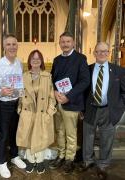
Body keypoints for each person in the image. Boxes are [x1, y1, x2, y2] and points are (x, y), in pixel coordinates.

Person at [49, 32, 90, 173]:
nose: (65, 44)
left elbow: (85, 81)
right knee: (59, 131)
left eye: (68, 41)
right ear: (59, 43)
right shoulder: (56, 59)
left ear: (73, 43)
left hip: (72, 102)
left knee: (71, 133)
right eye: (63, 42)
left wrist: (69, 96)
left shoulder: (80, 59)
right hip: (58, 102)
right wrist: (54, 91)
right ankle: (61, 155)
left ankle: (69, 159)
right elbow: (52, 78)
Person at [82, 42, 125, 176]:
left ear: (109, 53)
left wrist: (120, 107)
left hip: (109, 110)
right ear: (94, 53)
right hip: (91, 109)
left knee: (107, 139)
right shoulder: (87, 69)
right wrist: (81, 109)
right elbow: (83, 91)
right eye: (98, 51)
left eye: (104, 51)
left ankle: (103, 165)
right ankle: (88, 162)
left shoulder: (119, 70)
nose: (101, 54)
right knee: (88, 138)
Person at [16, 50, 57, 174]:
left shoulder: (47, 76)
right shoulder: (23, 76)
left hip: (42, 112)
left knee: (41, 137)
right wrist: (20, 109)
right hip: (28, 112)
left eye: (38, 58)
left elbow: (52, 96)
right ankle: (30, 160)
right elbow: (20, 93)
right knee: (28, 137)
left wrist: (49, 112)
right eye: (33, 58)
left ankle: (39, 161)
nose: (35, 60)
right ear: (29, 61)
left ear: (41, 61)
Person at [0, 34, 26, 179]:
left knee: (14, 132)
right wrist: (1, 91)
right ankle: (1, 162)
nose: (12, 47)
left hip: (16, 102)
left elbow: (20, 84)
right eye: (9, 44)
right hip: (4, 104)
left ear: (17, 46)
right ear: (4, 47)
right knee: (3, 134)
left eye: (14, 44)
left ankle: (14, 156)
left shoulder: (19, 63)